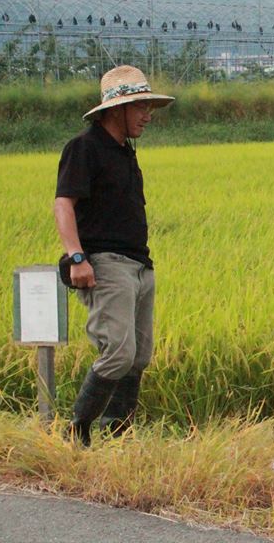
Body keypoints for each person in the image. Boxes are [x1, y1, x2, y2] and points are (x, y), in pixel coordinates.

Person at [54, 65, 174, 446]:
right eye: (139, 106)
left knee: (138, 357)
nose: (147, 115)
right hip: (106, 264)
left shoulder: (125, 153)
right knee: (119, 353)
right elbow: (63, 204)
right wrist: (76, 257)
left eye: (148, 107)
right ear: (115, 109)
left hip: (140, 265)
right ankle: (78, 432)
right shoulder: (84, 148)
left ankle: (117, 433)